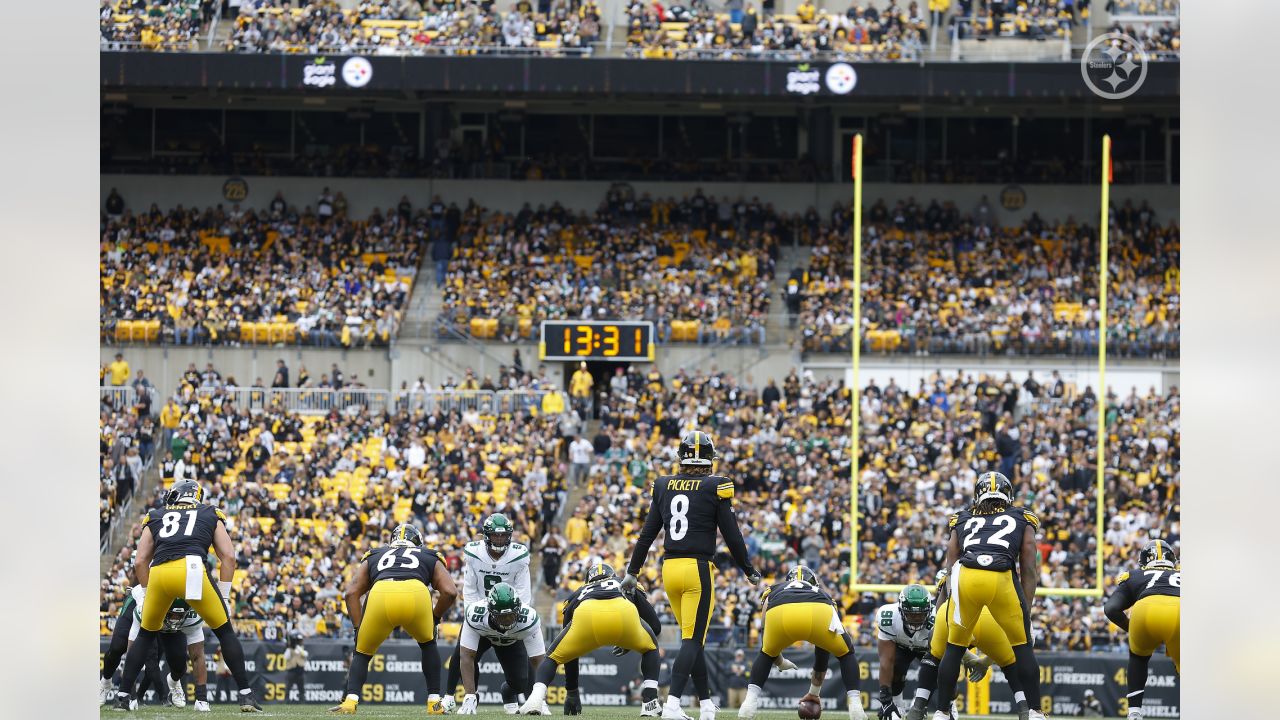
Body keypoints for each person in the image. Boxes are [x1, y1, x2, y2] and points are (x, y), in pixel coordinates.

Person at [623, 430, 761, 720]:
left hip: (669, 569)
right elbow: (732, 534)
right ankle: (672, 704)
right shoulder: (716, 486)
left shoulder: (663, 485)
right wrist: (748, 568)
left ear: (681, 457)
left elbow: (647, 534)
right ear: (709, 458)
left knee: (691, 638)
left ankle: (707, 706)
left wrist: (632, 571)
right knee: (693, 640)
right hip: (697, 569)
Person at [111, 479, 261, 712]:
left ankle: (122, 696)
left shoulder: (157, 514)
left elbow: (140, 561)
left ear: (175, 495)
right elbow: (229, 557)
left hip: (159, 572)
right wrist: (224, 596)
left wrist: (148, 592)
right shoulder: (210, 512)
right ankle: (245, 694)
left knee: (145, 635)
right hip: (192, 570)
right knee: (224, 631)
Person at [907, 472, 1044, 720]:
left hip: (966, 577)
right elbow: (1029, 561)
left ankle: (941, 711)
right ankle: (1033, 711)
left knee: (953, 648)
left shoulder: (961, 518)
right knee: (1023, 648)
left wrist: (947, 603)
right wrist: (1026, 607)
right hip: (1001, 577)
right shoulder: (1021, 516)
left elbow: (950, 564)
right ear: (1008, 494)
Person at [331, 523, 458, 715]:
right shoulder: (429, 554)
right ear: (418, 542)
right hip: (416, 594)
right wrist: (434, 618)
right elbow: (450, 592)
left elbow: (350, 594)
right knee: (428, 644)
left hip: (381, 593)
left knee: (362, 653)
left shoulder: (375, 554)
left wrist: (359, 629)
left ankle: (350, 701)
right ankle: (434, 702)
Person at [519, 564, 663, 716]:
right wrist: (629, 641)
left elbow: (570, 654)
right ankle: (649, 701)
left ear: (588, 581)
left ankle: (535, 699)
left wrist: (572, 692)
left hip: (586, 614)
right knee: (651, 648)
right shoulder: (622, 581)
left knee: (552, 657)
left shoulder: (579, 592)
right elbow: (655, 626)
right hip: (623, 613)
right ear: (612, 575)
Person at [736, 566, 868, 720]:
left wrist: (779, 662)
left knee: (765, 653)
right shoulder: (823, 593)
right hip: (819, 608)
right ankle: (856, 706)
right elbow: (822, 654)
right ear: (813, 582)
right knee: (846, 654)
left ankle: (749, 704)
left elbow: (767, 639)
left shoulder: (775, 588)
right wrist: (814, 693)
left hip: (780, 609)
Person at [879, 584, 1025, 720]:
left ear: (928, 610)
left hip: (931, 647)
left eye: (920, 615)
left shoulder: (939, 616)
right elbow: (886, 661)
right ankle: (899, 706)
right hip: (903, 646)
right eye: (911, 614)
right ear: (901, 610)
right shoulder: (889, 617)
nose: (916, 619)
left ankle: (942, 705)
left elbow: (954, 645)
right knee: (896, 667)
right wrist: (886, 699)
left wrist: (969, 658)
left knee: (946, 679)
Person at [445, 514, 541, 711]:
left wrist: (511, 617)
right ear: (486, 536)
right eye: (495, 536)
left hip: (509, 615)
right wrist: (475, 614)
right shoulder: (474, 553)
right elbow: (470, 589)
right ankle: (450, 696)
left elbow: (524, 593)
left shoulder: (518, 555)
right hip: (483, 614)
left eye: (503, 536)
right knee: (461, 655)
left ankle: (511, 693)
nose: (499, 540)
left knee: (520, 680)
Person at [1103, 539, 1180, 720]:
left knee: (1138, 658)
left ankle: (1134, 712)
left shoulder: (1135, 575)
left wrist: (1134, 630)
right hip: (1180, 610)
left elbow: (1111, 609)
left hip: (1143, 611)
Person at [458, 583, 546, 715]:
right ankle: (468, 698)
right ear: (490, 611)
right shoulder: (475, 615)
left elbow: (538, 660)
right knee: (458, 658)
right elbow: (466, 656)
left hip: (511, 639)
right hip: (484, 634)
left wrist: (540, 698)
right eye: (502, 616)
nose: (508, 620)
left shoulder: (528, 619)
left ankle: (508, 692)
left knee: (520, 682)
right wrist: (469, 695)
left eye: (511, 615)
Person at [284, 634, 308, 703]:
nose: (300, 642)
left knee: (301, 688)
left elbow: (305, 654)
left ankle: (302, 701)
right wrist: (289, 647)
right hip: (291, 671)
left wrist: (297, 647)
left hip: (300, 671)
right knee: (288, 687)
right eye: (298, 641)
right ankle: (286, 701)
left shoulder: (301, 648)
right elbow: (286, 657)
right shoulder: (289, 649)